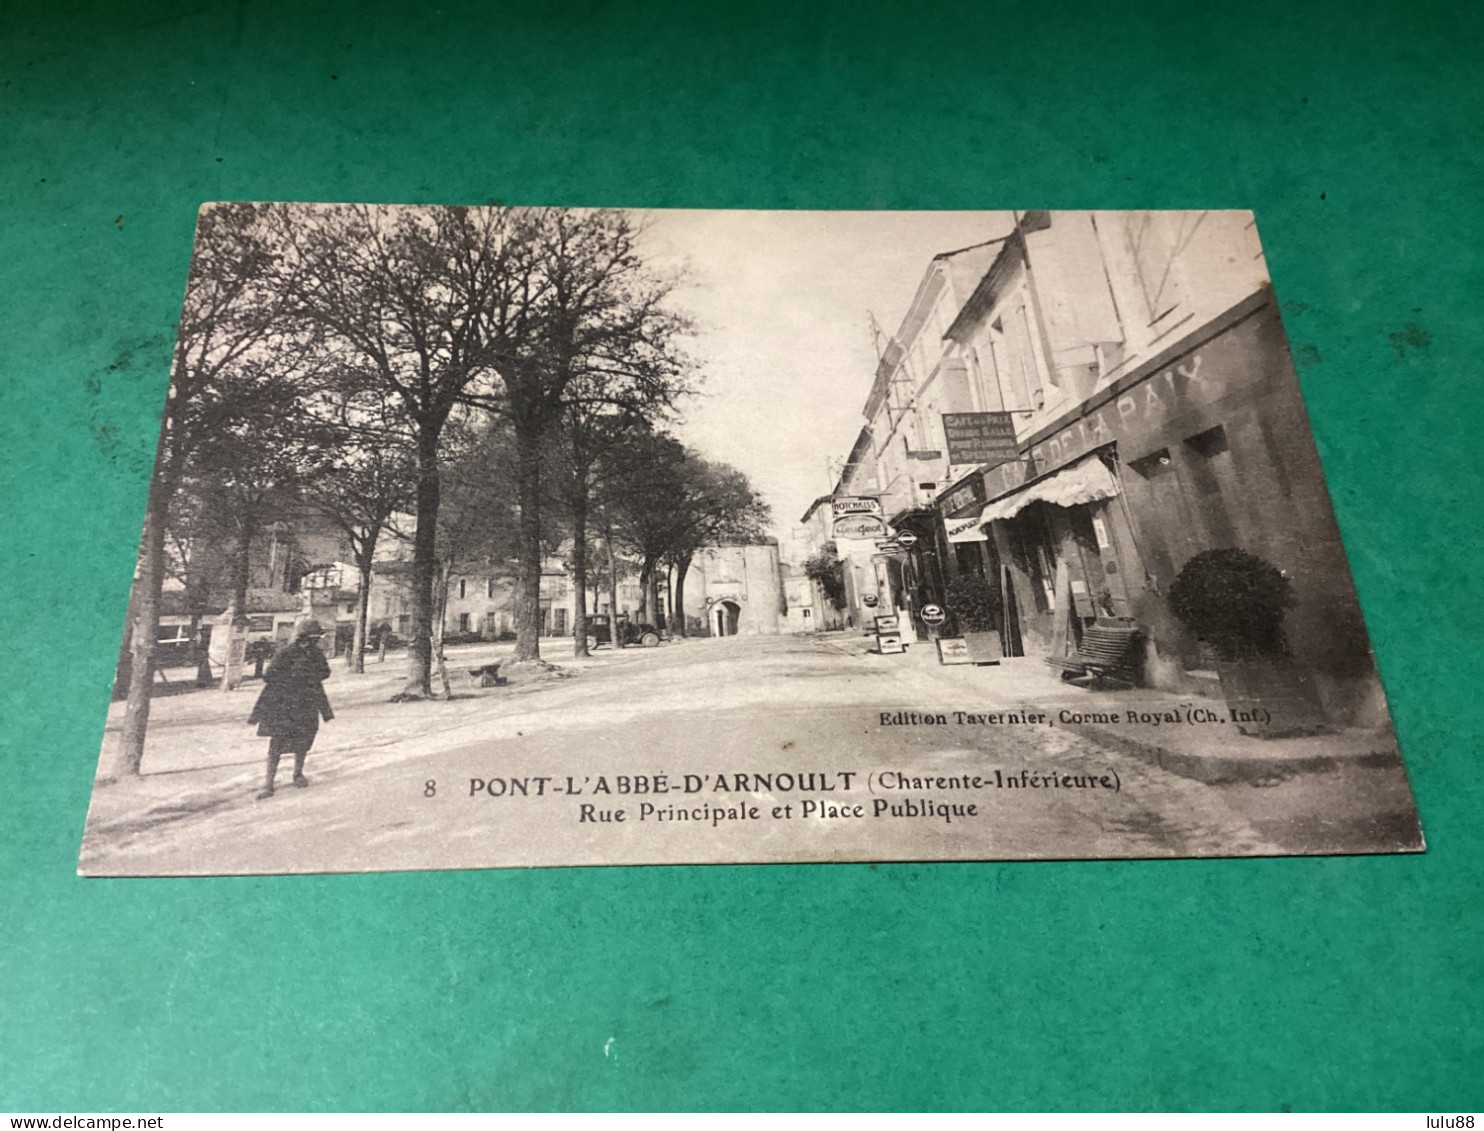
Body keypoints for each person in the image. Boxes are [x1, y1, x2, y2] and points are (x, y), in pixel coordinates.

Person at [247, 619, 334, 799]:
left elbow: (325, 672)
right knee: (277, 744)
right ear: (305, 637)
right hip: (284, 704)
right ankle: (268, 784)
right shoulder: (286, 652)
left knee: (303, 739)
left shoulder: (316, 654)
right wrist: (293, 675)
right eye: (314, 638)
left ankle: (298, 774)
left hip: (307, 702)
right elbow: (269, 675)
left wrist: (311, 674)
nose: (316, 641)